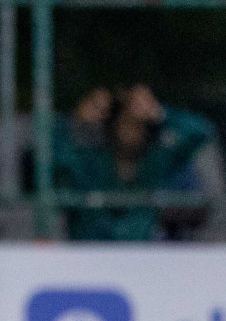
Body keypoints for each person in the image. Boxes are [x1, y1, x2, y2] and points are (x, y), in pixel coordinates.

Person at [53, 85, 216, 242]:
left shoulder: (157, 161)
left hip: (142, 258)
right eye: (125, 124)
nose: (131, 133)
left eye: (138, 126)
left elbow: (201, 132)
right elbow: (51, 158)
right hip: (88, 256)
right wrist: (75, 121)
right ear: (112, 127)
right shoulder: (90, 161)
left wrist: (160, 113)